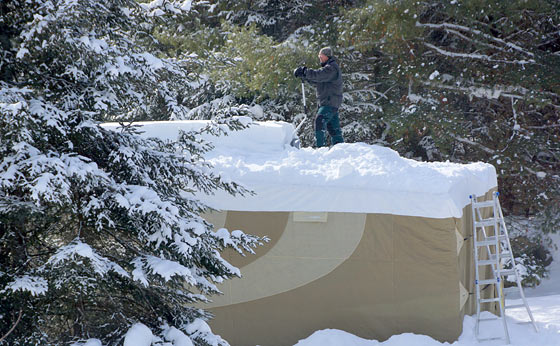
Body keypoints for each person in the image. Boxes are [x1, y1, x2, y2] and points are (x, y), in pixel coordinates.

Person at [294, 47, 344, 147]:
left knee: (319, 121)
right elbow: (317, 80)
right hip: (329, 103)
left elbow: (319, 75)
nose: (319, 58)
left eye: (320, 56)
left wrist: (305, 71)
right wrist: (305, 77)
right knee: (334, 130)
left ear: (326, 56)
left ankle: (321, 148)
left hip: (329, 103)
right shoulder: (328, 69)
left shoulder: (331, 68)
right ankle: (341, 149)